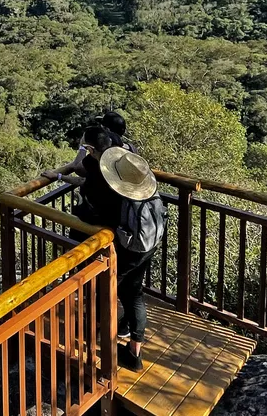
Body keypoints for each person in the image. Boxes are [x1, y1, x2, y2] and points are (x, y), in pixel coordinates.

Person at [99, 147, 167, 372]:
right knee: (134, 295)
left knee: (105, 290)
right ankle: (134, 352)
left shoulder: (122, 198)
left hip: (129, 250)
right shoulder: (150, 192)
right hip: (148, 247)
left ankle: (97, 338)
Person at [42, 126, 124, 234]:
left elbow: (82, 180)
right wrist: (59, 176)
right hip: (119, 217)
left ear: (90, 149)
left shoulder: (97, 168)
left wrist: (58, 176)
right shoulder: (118, 158)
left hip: (100, 221)